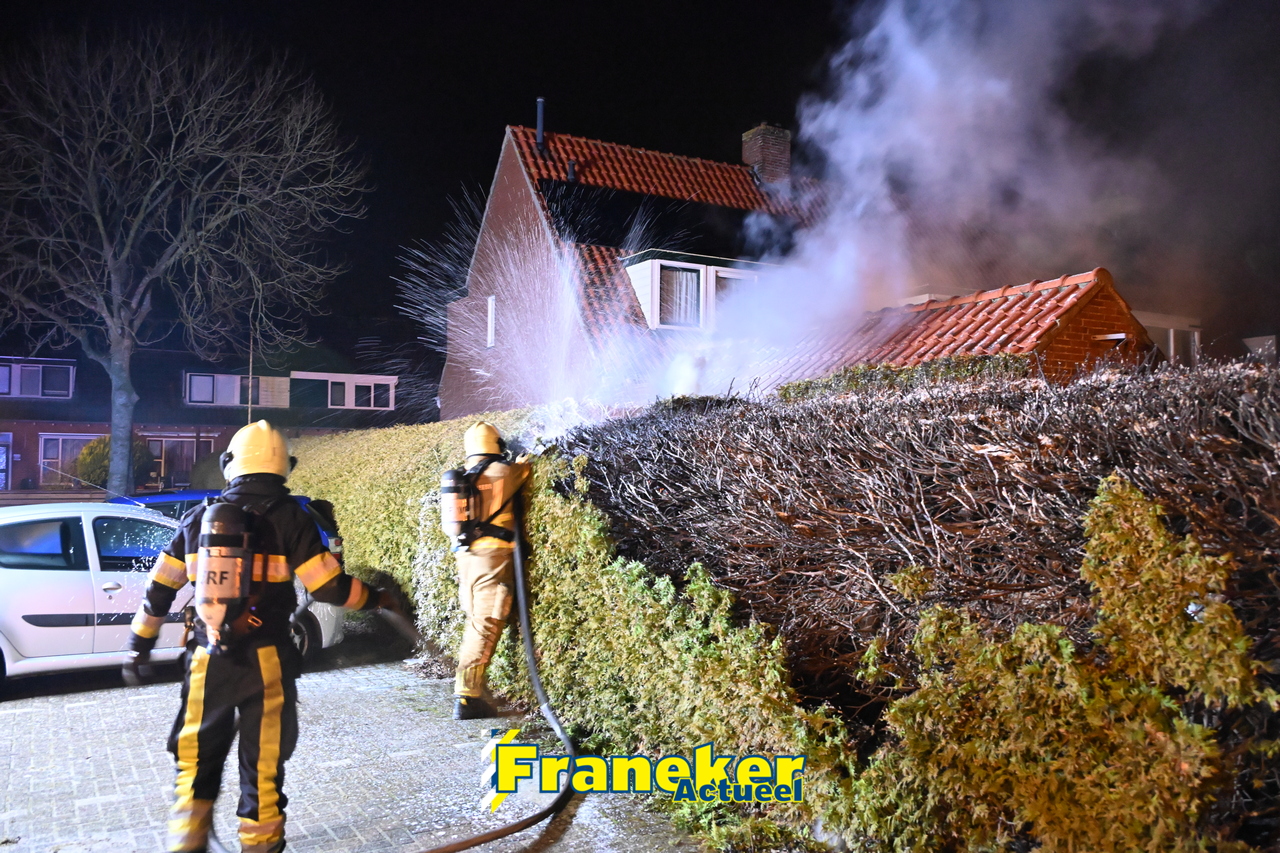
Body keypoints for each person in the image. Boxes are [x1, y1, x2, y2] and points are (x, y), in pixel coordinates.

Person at [124, 420, 401, 853]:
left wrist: (137, 645)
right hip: (267, 658)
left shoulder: (198, 518)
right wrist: (381, 598)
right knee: (263, 761)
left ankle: (188, 838)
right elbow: (330, 588)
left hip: (207, 657)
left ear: (228, 464)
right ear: (284, 467)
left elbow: (159, 590)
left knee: (196, 752)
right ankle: (261, 845)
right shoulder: (293, 518)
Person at [448, 421, 530, 721]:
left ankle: (473, 691)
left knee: (474, 622)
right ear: (496, 445)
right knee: (485, 624)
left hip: (467, 559)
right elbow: (525, 469)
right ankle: (467, 698)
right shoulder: (502, 472)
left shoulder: (466, 478)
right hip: (490, 560)